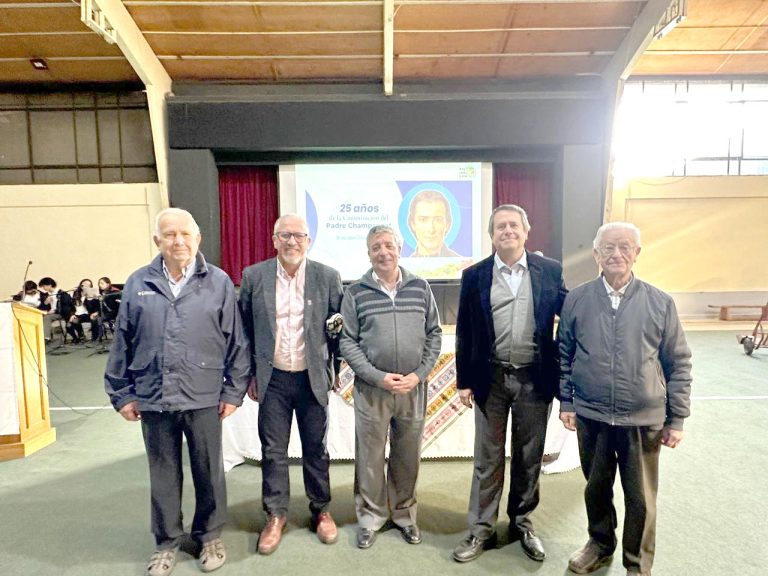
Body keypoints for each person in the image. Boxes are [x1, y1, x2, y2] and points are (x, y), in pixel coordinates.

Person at [105, 207, 250, 576]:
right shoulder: (138, 283)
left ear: (198, 239)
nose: (178, 240)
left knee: (208, 470)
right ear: (158, 241)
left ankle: (209, 536)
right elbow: (122, 342)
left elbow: (237, 343)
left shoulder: (218, 282)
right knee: (163, 472)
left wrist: (233, 392)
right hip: (153, 396)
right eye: (170, 234)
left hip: (203, 395)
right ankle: (167, 541)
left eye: (185, 234)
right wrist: (121, 393)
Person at [558, 222, 692, 576]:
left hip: (643, 420)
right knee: (596, 489)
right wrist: (568, 402)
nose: (616, 254)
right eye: (608, 248)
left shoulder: (660, 302)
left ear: (637, 253)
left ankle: (637, 564)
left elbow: (678, 362)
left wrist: (676, 419)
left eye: (624, 247)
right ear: (596, 254)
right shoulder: (577, 299)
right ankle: (599, 546)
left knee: (641, 499)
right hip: (593, 416)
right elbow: (565, 355)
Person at [452, 204, 567, 564]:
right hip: (492, 380)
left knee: (528, 456)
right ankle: (482, 528)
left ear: (526, 231)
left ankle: (521, 523)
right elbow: (465, 332)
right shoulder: (474, 276)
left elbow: (570, 316)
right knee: (487, 459)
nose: (508, 231)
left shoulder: (550, 271)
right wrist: (464, 381)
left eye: (514, 225)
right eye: (500, 226)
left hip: (535, 379)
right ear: (492, 234)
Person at [238, 214, 344, 555]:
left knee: (316, 450)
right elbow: (245, 329)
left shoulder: (327, 277)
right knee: (273, 452)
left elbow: (338, 329)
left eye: (299, 235)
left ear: (308, 240)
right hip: (274, 380)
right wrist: (250, 374)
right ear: (274, 239)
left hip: (312, 378)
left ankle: (321, 511)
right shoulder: (254, 276)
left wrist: (336, 370)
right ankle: (275, 515)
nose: (292, 241)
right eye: (285, 235)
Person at [339, 224, 442, 549]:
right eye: (375, 248)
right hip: (373, 390)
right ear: (368, 254)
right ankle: (370, 518)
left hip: (412, 388)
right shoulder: (355, 293)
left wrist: (420, 374)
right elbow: (347, 341)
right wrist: (376, 376)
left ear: (400, 248)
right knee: (369, 457)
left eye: (388, 245)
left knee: (407, 456)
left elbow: (434, 333)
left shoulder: (421, 288)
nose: (382, 252)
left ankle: (404, 516)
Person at [407, 189, 460, 257]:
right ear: (413, 224)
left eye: (438, 220)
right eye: (423, 220)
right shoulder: (402, 264)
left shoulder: (462, 263)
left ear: (447, 225)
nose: (431, 229)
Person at [38, 276, 78, 343]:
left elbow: (67, 306)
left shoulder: (61, 293)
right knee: (42, 317)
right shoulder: (47, 295)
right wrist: (45, 303)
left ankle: (46, 338)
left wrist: (55, 310)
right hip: (53, 313)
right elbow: (41, 308)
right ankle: (44, 337)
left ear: (49, 285)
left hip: (62, 313)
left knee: (47, 317)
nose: (43, 288)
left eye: (44, 286)